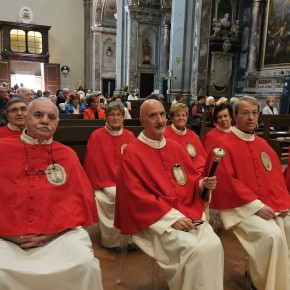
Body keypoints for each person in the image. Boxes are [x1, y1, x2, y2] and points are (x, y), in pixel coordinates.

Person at [115, 99, 224, 290]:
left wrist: (202, 185)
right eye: (153, 116)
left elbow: (189, 180)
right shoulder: (132, 152)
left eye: (162, 114)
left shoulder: (175, 147)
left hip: (188, 212)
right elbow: (135, 196)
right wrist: (169, 218)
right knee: (195, 250)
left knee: (214, 244)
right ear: (141, 121)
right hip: (154, 221)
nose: (160, 120)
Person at [0, 97, 103, 290]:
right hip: (6, 236)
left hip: (59, 235)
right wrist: (8, 234)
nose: (45, 120)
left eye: (51, 117)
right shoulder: (2, 149)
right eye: (38, 115)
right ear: (27, 118)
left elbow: (81, 202)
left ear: (57, 123)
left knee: (86, 265)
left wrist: (52, 234)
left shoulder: (67, 155)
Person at [205, 96, 290, 290]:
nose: (251, 118)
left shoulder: (263, 145)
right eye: (245, 113)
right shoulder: (222, 144)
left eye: (254, 113)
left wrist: (283, 203)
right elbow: (225, 182)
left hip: (269, 204)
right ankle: (263, 284)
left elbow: (275, 179)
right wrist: (256, 206)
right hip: (238, 206)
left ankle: (283, 280)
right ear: (235, 116)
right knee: (272, 236)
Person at [84, 102, 135, 249]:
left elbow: (135, 162)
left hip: (126, 180)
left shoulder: (130, 135)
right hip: (104, 182)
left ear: (123, 117)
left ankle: (130, 240)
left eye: (118, 114)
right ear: (106, 117)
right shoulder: (97, 135)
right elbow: (92, 164)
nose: (115, 118)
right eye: (112, 114)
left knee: (133, 194)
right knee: (114, 194)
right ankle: (113, 242)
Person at [164, 103, 207, 174]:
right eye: (178, 115)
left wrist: (199, 172)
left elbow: (201, 159)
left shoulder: (193, 136)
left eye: (183, 115)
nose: (181, 118)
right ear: (172, 118)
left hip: (193, 174)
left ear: (187, 117)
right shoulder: (164, 135)